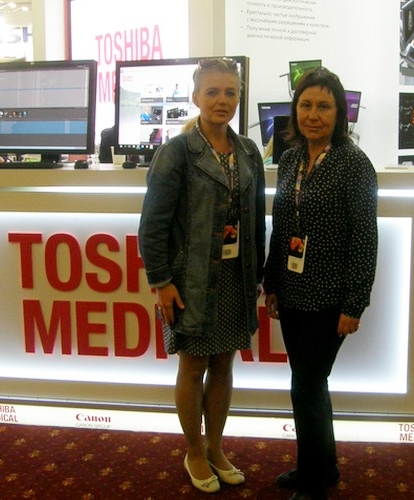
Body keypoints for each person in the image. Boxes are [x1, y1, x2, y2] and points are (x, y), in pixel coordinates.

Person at [138, 57, 266, 494]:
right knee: (193, 367)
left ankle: (215, 447)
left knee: (224, 365)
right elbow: (152, 225)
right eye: (212, 92)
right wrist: (161, 281)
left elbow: (256, 220)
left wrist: (259, 276)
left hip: (236, 276)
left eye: (230, 92)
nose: (221, 100)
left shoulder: (248, 152)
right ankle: (193, 450)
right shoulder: (176, 153)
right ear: (195, 97)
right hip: (189, 280)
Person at [263, 67, 378, 500]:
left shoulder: (355, 164)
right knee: (310, 383)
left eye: (324, 106)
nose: (313, 115)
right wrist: (272, 282)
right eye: (306, 105)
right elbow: (282, 226)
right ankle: (323, 467)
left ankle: (313, 485)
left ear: (339, 113)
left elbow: (365, 238)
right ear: (295, 109)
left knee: (307, 386)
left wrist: (354, 303)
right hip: (293, 291)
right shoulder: (290, 159)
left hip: (330, 296)